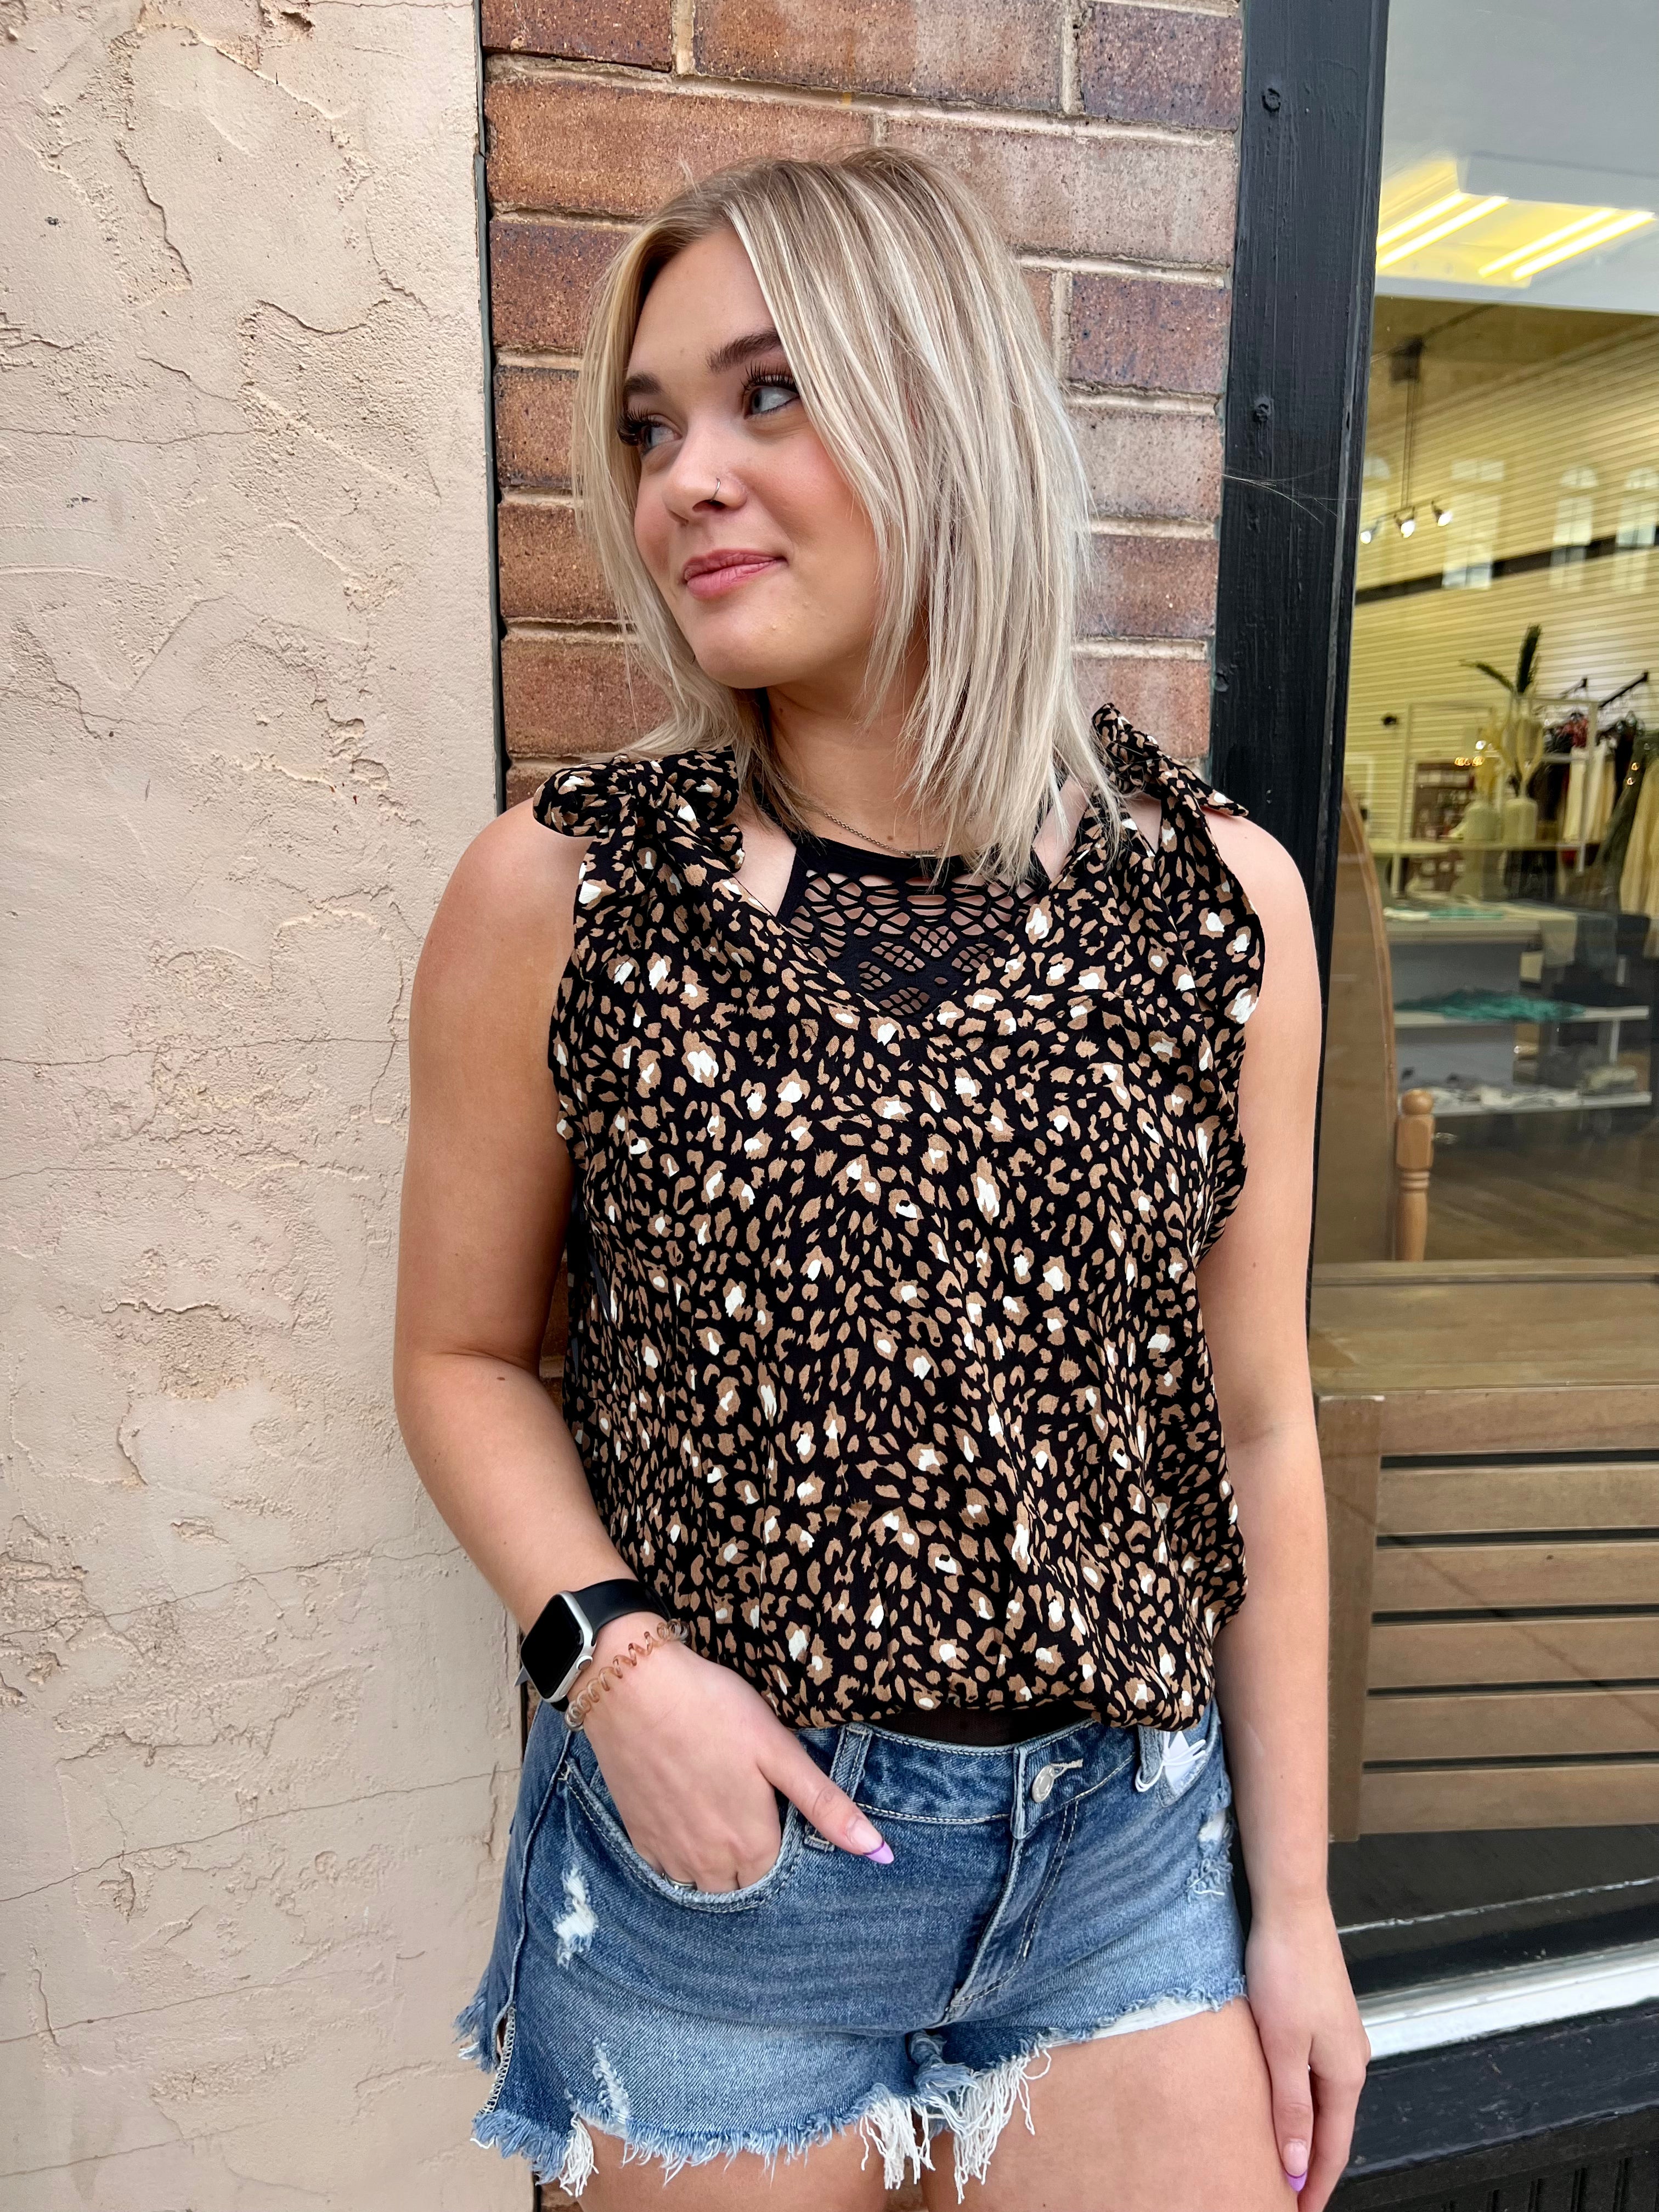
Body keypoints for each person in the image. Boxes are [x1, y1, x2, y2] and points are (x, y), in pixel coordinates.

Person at [393, 147, 1369, 2212]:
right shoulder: (563, 896)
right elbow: (463, 1358)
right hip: (726, 1875)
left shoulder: (1218, 903)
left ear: (948, 407)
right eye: (649, 428)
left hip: (1124, 1856)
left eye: (768, 394)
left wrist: (1294, 1908)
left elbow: (1257, 1426)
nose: (686, 480)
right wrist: (620, 1673)